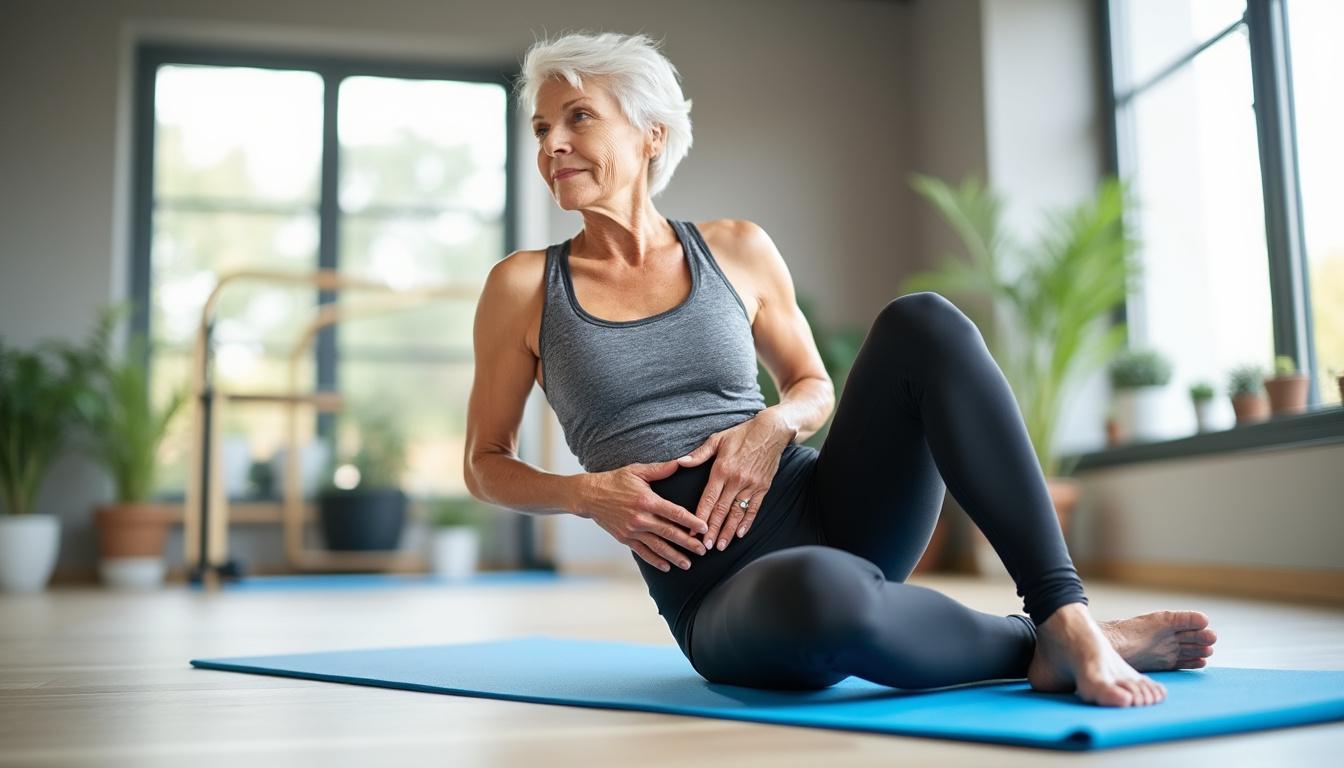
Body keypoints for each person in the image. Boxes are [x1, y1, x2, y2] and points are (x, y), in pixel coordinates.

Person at [464, 31, 1217, 707]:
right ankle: (1049, 645)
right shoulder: (525, 287)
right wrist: (586, 493)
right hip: (721, 595)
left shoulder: (735, 247)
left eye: (578, 118)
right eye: (540, 128)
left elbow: (812, 385)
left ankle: (1065, 611)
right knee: (823, 591)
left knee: (923, 321)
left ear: (651, 134)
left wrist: (774, 422)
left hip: (829, 507)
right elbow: (483, 464)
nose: (551, 145)